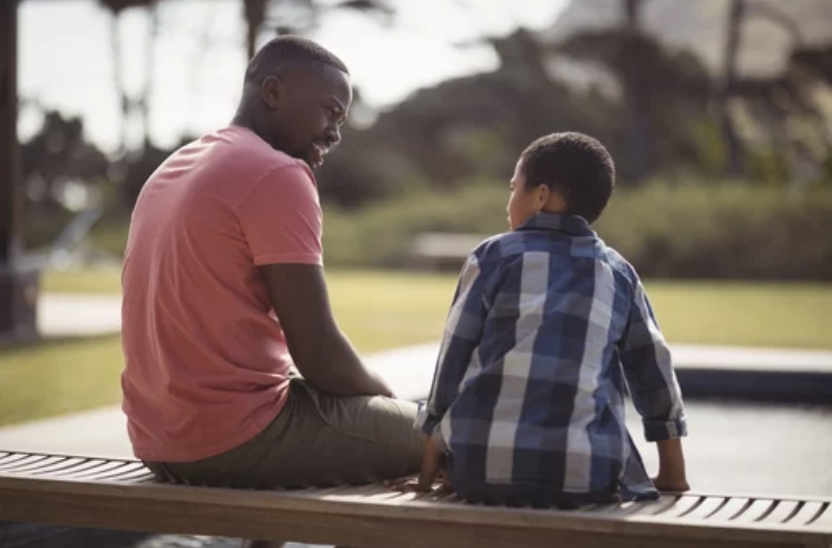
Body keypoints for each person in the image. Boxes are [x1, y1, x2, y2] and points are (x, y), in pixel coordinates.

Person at [120, 35, 423, 534]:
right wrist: (398, 411)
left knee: (342, 424)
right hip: (230, 440)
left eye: (342, 119)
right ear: (274, 92)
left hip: (157, 436)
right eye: (329, 111)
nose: (335, 132)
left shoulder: (175, 166)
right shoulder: (277, 172)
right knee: (442, 439)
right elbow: (320, 354)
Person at [404, 132, 690, 507]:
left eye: (513, 188)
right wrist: (673, 473)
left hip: (479, 473)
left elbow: (451, 366)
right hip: (586, 477)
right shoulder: (618, 273)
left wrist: (428, 470)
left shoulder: (492, 257)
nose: (509, 203)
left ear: (540, 197)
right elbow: (654, 374)